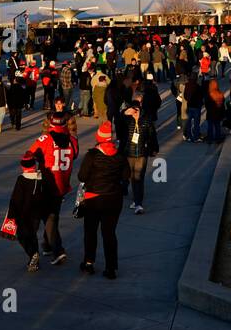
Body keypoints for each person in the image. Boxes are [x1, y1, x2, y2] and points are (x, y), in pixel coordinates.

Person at [77, 121, 129, 278]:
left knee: (91, 231)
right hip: (113, 199)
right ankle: (111, 268)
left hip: (94, 199)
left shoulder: (92, 155)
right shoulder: (119, 155)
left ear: (98, 137)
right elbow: (126, 176)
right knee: (109, 233)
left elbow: (82, 176)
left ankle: (89, 263)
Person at [31, 109, 78, 266]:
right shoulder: (72, 139)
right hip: (62, 185)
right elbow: (75, 154)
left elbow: (30, 154)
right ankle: (47, 244)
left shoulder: (45, 139)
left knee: (49, 218)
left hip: (47, 183)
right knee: (52, 215)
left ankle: (58, 250)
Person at [8, 149, 51, 272]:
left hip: (23, 214)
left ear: (23, 166)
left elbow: (16, 198)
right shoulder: (41, 178)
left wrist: (11, 214)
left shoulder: (21, 179)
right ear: (34, 165)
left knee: (22, 236)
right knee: (32, 235)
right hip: (36, 214)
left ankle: (33, 254)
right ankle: (34, 257)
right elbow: (46, 194)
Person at [122, 102, 158, 214]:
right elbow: (118, 122)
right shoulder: (127, 120)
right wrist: (124, 113)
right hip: (129, 154)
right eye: (133, 110)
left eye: (136, 109)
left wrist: (154, 149)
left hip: (142, 154)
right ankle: (136, 199)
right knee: (132, 177)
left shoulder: (146, 120)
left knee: (139, 178)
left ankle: (138, 204)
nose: (135, 112)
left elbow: (152, 135)